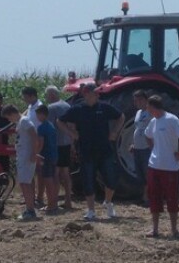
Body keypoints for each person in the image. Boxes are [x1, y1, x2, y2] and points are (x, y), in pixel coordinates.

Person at [57, 82, 125, 221]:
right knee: (88, 181)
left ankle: (108, 202)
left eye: (95, 93)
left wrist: (114, 132)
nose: (94, 95)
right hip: (86, 150)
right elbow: (60, 121)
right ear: (85, 94)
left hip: (105, 150)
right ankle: (91, 210)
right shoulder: (78, 109)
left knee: (111, 179)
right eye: (90, 93)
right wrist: (71, 133)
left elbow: (121, 117)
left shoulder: (104, 107)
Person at [143, 94, 179, 239]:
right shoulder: (153, 122)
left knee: (172, 198)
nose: (146, 109)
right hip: (154, 166)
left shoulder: (171, 119)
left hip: (170, 167)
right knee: (154, 198)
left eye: (148, 106)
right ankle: (155, 229)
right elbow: (147, 135)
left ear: (153, 107)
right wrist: (153, 149)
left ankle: (174, 230)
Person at [2, 104, 39, 220]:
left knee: (25, 183)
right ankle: (29, 208)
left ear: (12, 114)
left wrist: (34, 153)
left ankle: (30, 210)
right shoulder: (20, 122)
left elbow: (34, 135)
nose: (9, 120)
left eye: (8, 117)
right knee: (24, 183)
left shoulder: (24, 121)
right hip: (22, 156)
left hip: (27, 156)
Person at [43, 85, 74, 209]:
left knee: (54, 173)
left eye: (47, 95)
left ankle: (53, 201)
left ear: (52, 95)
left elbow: (48, 127)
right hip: (67, 142)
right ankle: (68, 200)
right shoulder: (67, 106)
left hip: (55, 144)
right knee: (65, 172)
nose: (46, 98)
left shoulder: (51, 108)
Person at [21, 86, 45, 206]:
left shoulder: (39, 107)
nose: (24, 99)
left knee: (40, 172)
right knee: (32, 171)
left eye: (25, 97)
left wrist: (38, 147)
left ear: (32, 96)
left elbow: (39, 126)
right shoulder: (30, 107)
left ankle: (40, 197)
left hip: (38, 141)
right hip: (30, 142)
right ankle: (32, 196)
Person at [129, 89, 153, 204]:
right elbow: (137, 128)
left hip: (147, 148)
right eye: (135, 100)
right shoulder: (138, 113)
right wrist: (133, 144)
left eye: (140, 100)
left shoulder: (151, 112)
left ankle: (149, 198)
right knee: (140, 175)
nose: (137, 102)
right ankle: (144, 196)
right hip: (137, 148)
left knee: (148, 174)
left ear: (146, 100)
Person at [35, 104, 59, 213]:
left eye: (37, 115)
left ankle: (51, 205)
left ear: (42, 114)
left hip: (46, 156)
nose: (37, 117)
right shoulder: (51, 125)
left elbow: (40, 144)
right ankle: (54, 203)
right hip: (54, 155)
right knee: (53, 180)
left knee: (48, 180)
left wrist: (35, 154)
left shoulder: (41, 127)